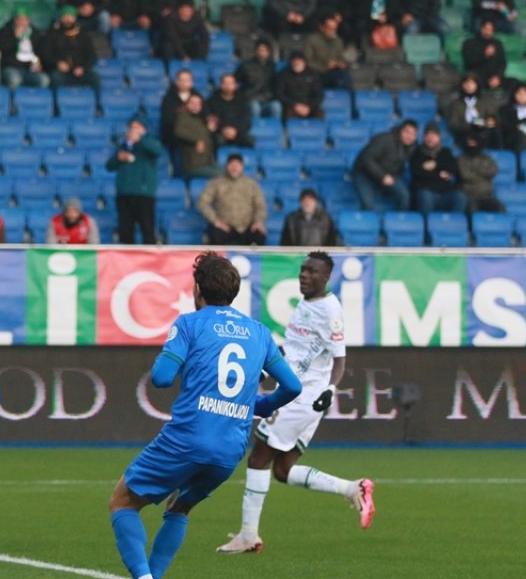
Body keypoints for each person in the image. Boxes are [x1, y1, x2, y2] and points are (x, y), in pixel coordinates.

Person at [110, 252, 302, 579]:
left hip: (186, 439)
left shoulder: (189, 324)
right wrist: (261, 406)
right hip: (229, 450)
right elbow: (293, 386)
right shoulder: (258, 332)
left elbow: (161, 378)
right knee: (179, 508)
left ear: (197, 289)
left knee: (123, 502)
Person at [217, 251, 374, 556]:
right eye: (303, 270)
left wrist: (330, 387)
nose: (304, 275)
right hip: (301, 394)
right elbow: (295, 350)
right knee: (283, 470)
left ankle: (249, 535)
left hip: (301, 397)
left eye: (312, 271)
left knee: (258, 458)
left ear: (326, 277)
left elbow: (339, 358)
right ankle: (353, 488)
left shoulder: (330, 310)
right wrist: (266, 366)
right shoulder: (306, 304)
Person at [107, 118, 161, 244]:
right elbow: (109, 166)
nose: (133, 130)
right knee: (125, 229)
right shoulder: (124, 145)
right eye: (131, 127)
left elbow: (158, 150)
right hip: (124, 193)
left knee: (147, 228)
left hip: (144, 193)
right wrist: (118, 157)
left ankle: (150, 259)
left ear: (143, 129)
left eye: (137, 127)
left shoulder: (150, 142)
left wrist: (140, 140)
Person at [197, 154, 268, 245]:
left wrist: (258, 221)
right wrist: (215, 221)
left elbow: (260, 205)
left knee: (259, 235)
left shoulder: (251, 184)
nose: (234, 168)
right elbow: (202, 202)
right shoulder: (216, 183)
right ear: (227, 166)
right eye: (232, 165)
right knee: (215, 235)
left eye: (237, 165)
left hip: (246, 227)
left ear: (242, 167)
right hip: (224, 227)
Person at [353, 120, 418, 212]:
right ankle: (367, 225)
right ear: (400, 130)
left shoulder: (412, 147)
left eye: (413, 134)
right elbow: (367, 158)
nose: (410, 137)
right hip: (365, 173)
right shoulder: (385, 139)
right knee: (368, 204)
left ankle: (398, 222)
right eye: (407, 132)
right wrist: (382, 176)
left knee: (405, 196)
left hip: (388, 175)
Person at [410, 124, 468, 214]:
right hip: (427, 191)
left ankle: (454, 225)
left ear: (439, 137)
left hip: (445, 192)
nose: (430, 138)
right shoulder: (417, 152)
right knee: (425, 195)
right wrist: (439, 174)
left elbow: (453, 168)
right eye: (428, 135)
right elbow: (417, 172)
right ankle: (426, 225)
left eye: (433, 135)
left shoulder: (445, 152)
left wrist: (435, 164)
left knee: (460, 196)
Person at [44, 7, 97, 88]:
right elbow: (46, 54)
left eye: (70, 16)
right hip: (61, 72)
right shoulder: (53, 33)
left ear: (75, 18)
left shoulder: (83, 34)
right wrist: (57, 63)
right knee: (55, 78)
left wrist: (83, 68)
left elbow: (91, 55)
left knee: (94, 78)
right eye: (65, 16)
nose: (67, 19)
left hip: (80, 71)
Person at [457, 127, 507, 212]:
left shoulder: (486, 158)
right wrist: (483, 175)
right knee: (472, 211)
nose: (472, 144)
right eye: (470, 141)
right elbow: (465, 175)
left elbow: (492, 171)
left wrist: (474, 169)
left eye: (474, 141)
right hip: (470, 196)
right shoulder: (461, 159)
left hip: (487, 197)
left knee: (500, 208)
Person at [443, 74, 502, 146]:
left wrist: (485, 123)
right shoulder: (456, 104)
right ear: (462, 85)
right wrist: (470, 126)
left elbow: (493, 119)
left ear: (477, 85)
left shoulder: (485, 102)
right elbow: (454, 123)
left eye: (472, 83)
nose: (469, 85)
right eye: (466, 83)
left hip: (483, 131)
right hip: (464, 132)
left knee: (495, 133)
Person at [0, 9, 49, 89]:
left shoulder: (35, 33)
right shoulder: (5, 32)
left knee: (44, 79)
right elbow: (4, 49)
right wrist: (15, 37)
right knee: (15, 79)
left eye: (25, 20)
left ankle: (35, 100)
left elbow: (42, 52)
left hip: (31, 70)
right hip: (12, 68)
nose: (22, 22)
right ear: (15, 20)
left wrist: (40, 64)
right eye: (20, 20)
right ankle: (13, 101)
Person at [175, 94, 219, 179]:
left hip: (207, 162)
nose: (195, 106)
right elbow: (179, 131)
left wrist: (210, 130)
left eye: (198, 104)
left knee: (229, 171)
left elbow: (204, 137)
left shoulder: (199, 120)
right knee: (221, 176)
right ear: (187, 104)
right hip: (193, 165)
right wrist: (197, 140)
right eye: (192, 103)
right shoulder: (182, 117)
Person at [236, 39, 280, 119]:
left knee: (276, 106)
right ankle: (255, 131)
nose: (262, 53)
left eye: (265, 51)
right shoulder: (246, 66)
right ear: (256, 51)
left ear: (269, 52)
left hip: (268, 99)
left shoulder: (272, 66)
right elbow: (236, 81)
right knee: (255, 108)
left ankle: (274, 130)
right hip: (251, 98)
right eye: (260, 50)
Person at [207, 74, 254, 149]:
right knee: (212, 141)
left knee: (250, 140)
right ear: (221, 84)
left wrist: (235, 130)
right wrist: (223, 129)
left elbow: (246, 120)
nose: (228, 86)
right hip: (220, 133)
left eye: (231, 83)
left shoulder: (242, 100)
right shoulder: (212, 101)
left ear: (235, 85)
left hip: (238, 133)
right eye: (225, 83)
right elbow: (211, 119)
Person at [305, 14, 351, 90]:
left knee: (345, 76)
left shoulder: (338, 41)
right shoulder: (312, 40)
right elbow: (307, 62)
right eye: (330, 29)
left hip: (333, 72)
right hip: (317, 73)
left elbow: (341, 57)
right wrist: (324, 67)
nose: (333, 32)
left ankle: (346, 99)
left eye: (335, 29)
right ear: (322, 27)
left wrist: (341, 64)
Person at [275, 51, 324, 120]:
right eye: (295, 60)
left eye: (299, 60)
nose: (297, 62)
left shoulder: (313, 74)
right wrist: (295, 105)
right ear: (291, 62)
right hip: (291, 106)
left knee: (320, 114)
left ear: (304, 62)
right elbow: (280, 94)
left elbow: (319, 95)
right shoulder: (283, 75)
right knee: (286, 113)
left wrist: (309, 106)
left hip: (309, 106)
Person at [463, 19, 509, 90]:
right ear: (481, 28)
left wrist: (498, 77)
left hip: (494, 77)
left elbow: (502, 63)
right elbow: (469, 62)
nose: (488, 32)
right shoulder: (470, 43)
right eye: (486, 29)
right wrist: (484, 55)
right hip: (477, 77)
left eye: (491, 30)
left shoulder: (497, 44)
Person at [159, 69, 198, 150]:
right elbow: (167, 119)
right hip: (175, 138)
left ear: (192, 82)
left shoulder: (198, 97)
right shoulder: (168, 99)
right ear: (176, 82)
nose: (184, 83)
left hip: (195, 136)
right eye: (181, 80)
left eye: (187, 80)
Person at [499, 83, 526, 151]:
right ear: (514, 95)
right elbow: (504, 127)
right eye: (519, 94)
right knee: (523, 136)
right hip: (514, 139)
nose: (522, 96)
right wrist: (521, 128)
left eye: (525, 94)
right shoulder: (505, 110)